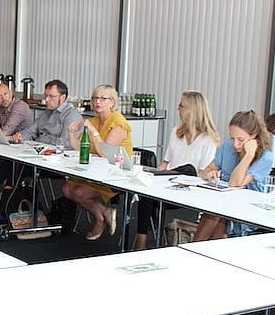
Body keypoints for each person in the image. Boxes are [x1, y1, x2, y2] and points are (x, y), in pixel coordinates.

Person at [135, 91, 220, 250]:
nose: (178, 109)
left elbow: (203, 173)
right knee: (146, 192)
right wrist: (153, 174)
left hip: (190, 187)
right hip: (168, 182)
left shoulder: (208, 139)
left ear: (192, 110)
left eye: (181, 106)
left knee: (188, 169)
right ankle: (141, 241)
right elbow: (166, 162)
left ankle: (142, 242)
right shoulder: (176, 132)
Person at [61, 85, 133, 241]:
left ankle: (99, 219)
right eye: (95, 98)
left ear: (112, 102)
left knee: (79, 192)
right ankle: (105, 212)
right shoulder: (95, 120)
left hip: (115, 173)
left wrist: (93, 131)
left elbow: (105, 153)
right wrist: (71, 132)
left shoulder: (119, 122)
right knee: (67, 189)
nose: (97, 101)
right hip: (95, 170)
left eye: (102, 98)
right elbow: (79, 147)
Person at [193, 109, 274, 241]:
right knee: (216, 211)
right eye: (232, 138)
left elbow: (235, 183)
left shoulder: (266, 157)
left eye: (241, 140)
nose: (235, 144)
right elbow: (202, 172)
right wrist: (210, 173)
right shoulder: (227, 147)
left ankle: (195, 248)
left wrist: (248, 155)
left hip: (249, 211)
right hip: (224, 206)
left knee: (216, 212)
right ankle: (199, 250)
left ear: (253, 137)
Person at [14, 79, 83, 147]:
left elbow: (66, 143)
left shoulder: (72, 115)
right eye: (46, 96)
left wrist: (42, 139)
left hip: (58, 155)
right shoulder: (46, 113)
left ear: (63, 97)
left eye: (51, 96)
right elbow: (30, 131)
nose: (46, 99)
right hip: (39, 150)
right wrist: (20, 136)